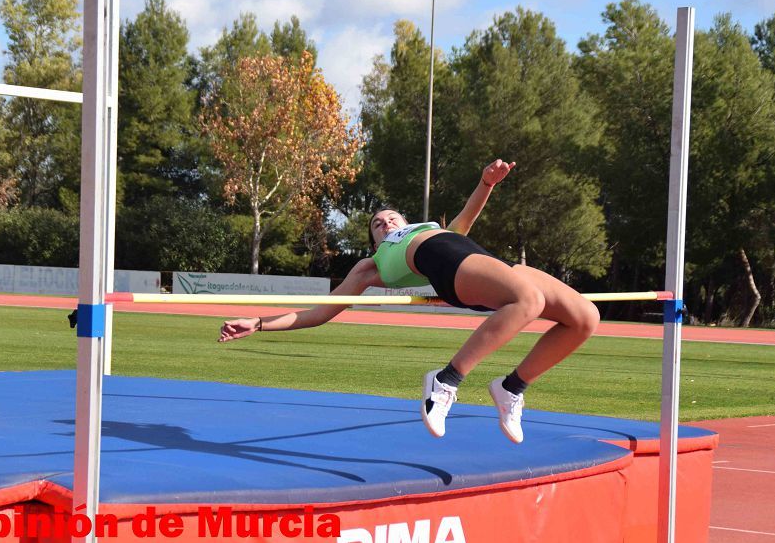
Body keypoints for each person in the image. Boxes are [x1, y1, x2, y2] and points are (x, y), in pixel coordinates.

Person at [218, 159, 600, 444]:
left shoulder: (432, 228)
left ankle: (512, 387)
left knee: (585, 317)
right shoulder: (373, 264)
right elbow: (319, 311)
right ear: (373, 241)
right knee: (529, 299)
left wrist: (486, 183)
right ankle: (445, 380)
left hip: (481, 263)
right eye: (377, 223)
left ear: (406, 220)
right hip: (448, 269)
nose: (386, 221)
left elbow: (464, 222)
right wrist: (260, 321)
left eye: (392, 216)